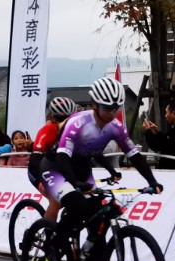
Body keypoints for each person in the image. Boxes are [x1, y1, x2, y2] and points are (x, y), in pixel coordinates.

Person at [42, 78, 161, 249]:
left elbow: (134, 155)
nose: (113, 112)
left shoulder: (116, 127)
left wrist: (152, 181)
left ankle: (89, 253)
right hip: (56, 167)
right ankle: (52, 248)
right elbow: (62, 157)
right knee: (79, 207)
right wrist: (75, 182)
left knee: (99, 215)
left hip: (82, 167)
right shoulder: (77, 123)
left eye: (117, 107)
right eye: (107, 107)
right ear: (94, 105)